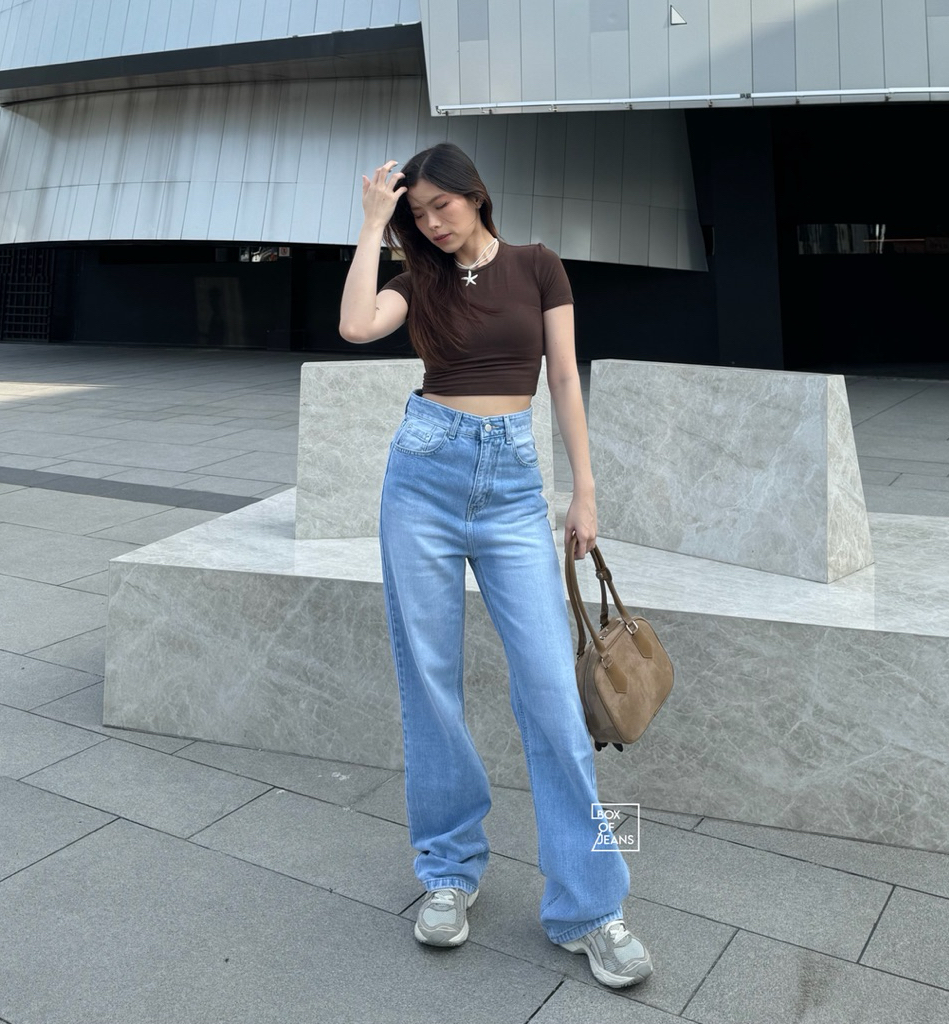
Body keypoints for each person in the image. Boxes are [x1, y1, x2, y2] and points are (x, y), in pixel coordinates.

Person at [338, 142, 652, 989]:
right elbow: (356, 325)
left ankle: (592, 907)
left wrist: (583, 493)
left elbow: (565, 380)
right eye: (418, 214)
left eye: (441, 206)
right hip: (424, 477)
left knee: (552, 692)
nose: (432, 224)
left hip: (514, 489)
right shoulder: (418, 280)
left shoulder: (538, 266)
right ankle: (447, 871)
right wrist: (373, 225)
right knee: (429, 680)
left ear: (475, 195)